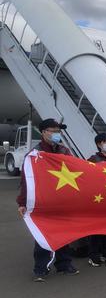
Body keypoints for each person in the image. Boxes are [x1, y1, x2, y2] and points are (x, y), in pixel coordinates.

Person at [17, 118, 79, 282]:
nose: (56, 134)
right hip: (42, 201)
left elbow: (78, 170)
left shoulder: (64, 151)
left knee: (65, 233)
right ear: (43, 132)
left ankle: (64, 264)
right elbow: (26, 180)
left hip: (63, 201)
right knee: (42, 235)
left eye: (58, 131)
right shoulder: (34, 155)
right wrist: (22, 202)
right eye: (52, 131)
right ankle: (41, 268)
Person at [87, 133, 106, 266]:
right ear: (99, 144)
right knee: (97, 229)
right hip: (98, 199)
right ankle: (94, 256)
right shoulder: (93, 159)